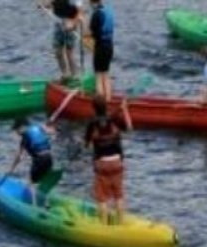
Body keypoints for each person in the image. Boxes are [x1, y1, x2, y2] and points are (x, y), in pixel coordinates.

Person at [84, 95, 132, 225]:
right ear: (106, 106)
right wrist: (125, 109)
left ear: (93, 108)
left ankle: (104, 226)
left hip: (102, 164)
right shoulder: (114, 118)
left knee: (102, 198)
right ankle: (121, 223)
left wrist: (87, 142)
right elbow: (129, 128)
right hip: (117, 162)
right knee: (118, 195)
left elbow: (87, 144)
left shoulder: (92, 123)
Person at [9, 118, 54, 206]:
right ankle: (47, 203)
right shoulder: (38, 128)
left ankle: (34, 206)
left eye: (16, 130)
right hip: (49, 158)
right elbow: (51, 132)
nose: (17, 133)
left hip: (40, 160)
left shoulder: (24, 138)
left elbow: (18, 158)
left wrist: (11, 169)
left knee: (31, 183)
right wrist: (48, 125)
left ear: (21, 128)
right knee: (45, 180)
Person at [43, 0, 84, 83]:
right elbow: (53, 3)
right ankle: (65, 74)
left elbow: (79, 12)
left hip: (70, 22)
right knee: (57, 50)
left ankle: (75, 76)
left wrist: (73, 23)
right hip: (58, 22)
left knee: (69, 52)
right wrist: (46, 5)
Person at [88, 0, 115, 102]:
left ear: (92, 2)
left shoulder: (96, 14)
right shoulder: (108, 11)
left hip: (100, 48)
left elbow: (91, 33)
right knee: (106, 74)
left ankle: (101, 104)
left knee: (98, 76)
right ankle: (108, 100)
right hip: (110, 46)